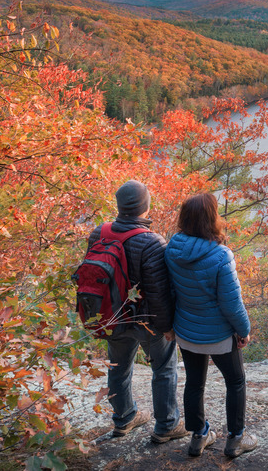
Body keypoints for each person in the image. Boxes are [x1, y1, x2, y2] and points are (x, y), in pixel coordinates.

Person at [90, 180, 186, 444]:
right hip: (146, 322)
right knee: (164, 369)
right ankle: (166, 425)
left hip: (111, 316)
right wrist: (167, 327)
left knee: (118, 368)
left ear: (119, 206)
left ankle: (124, 419)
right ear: (146, 207)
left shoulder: (99, 233)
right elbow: (158, 292)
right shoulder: (151, 241)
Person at [163, 192, 258, 458]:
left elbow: (170, 291)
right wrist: (244, 330)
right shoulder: (221, 255)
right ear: (212, 219)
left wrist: (170, 326)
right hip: (218, 335)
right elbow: (231, 303)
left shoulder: (172, 249)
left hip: (187, 331)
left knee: (194, 382)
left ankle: (198, 436)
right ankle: (236, 439)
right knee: (236, 381)